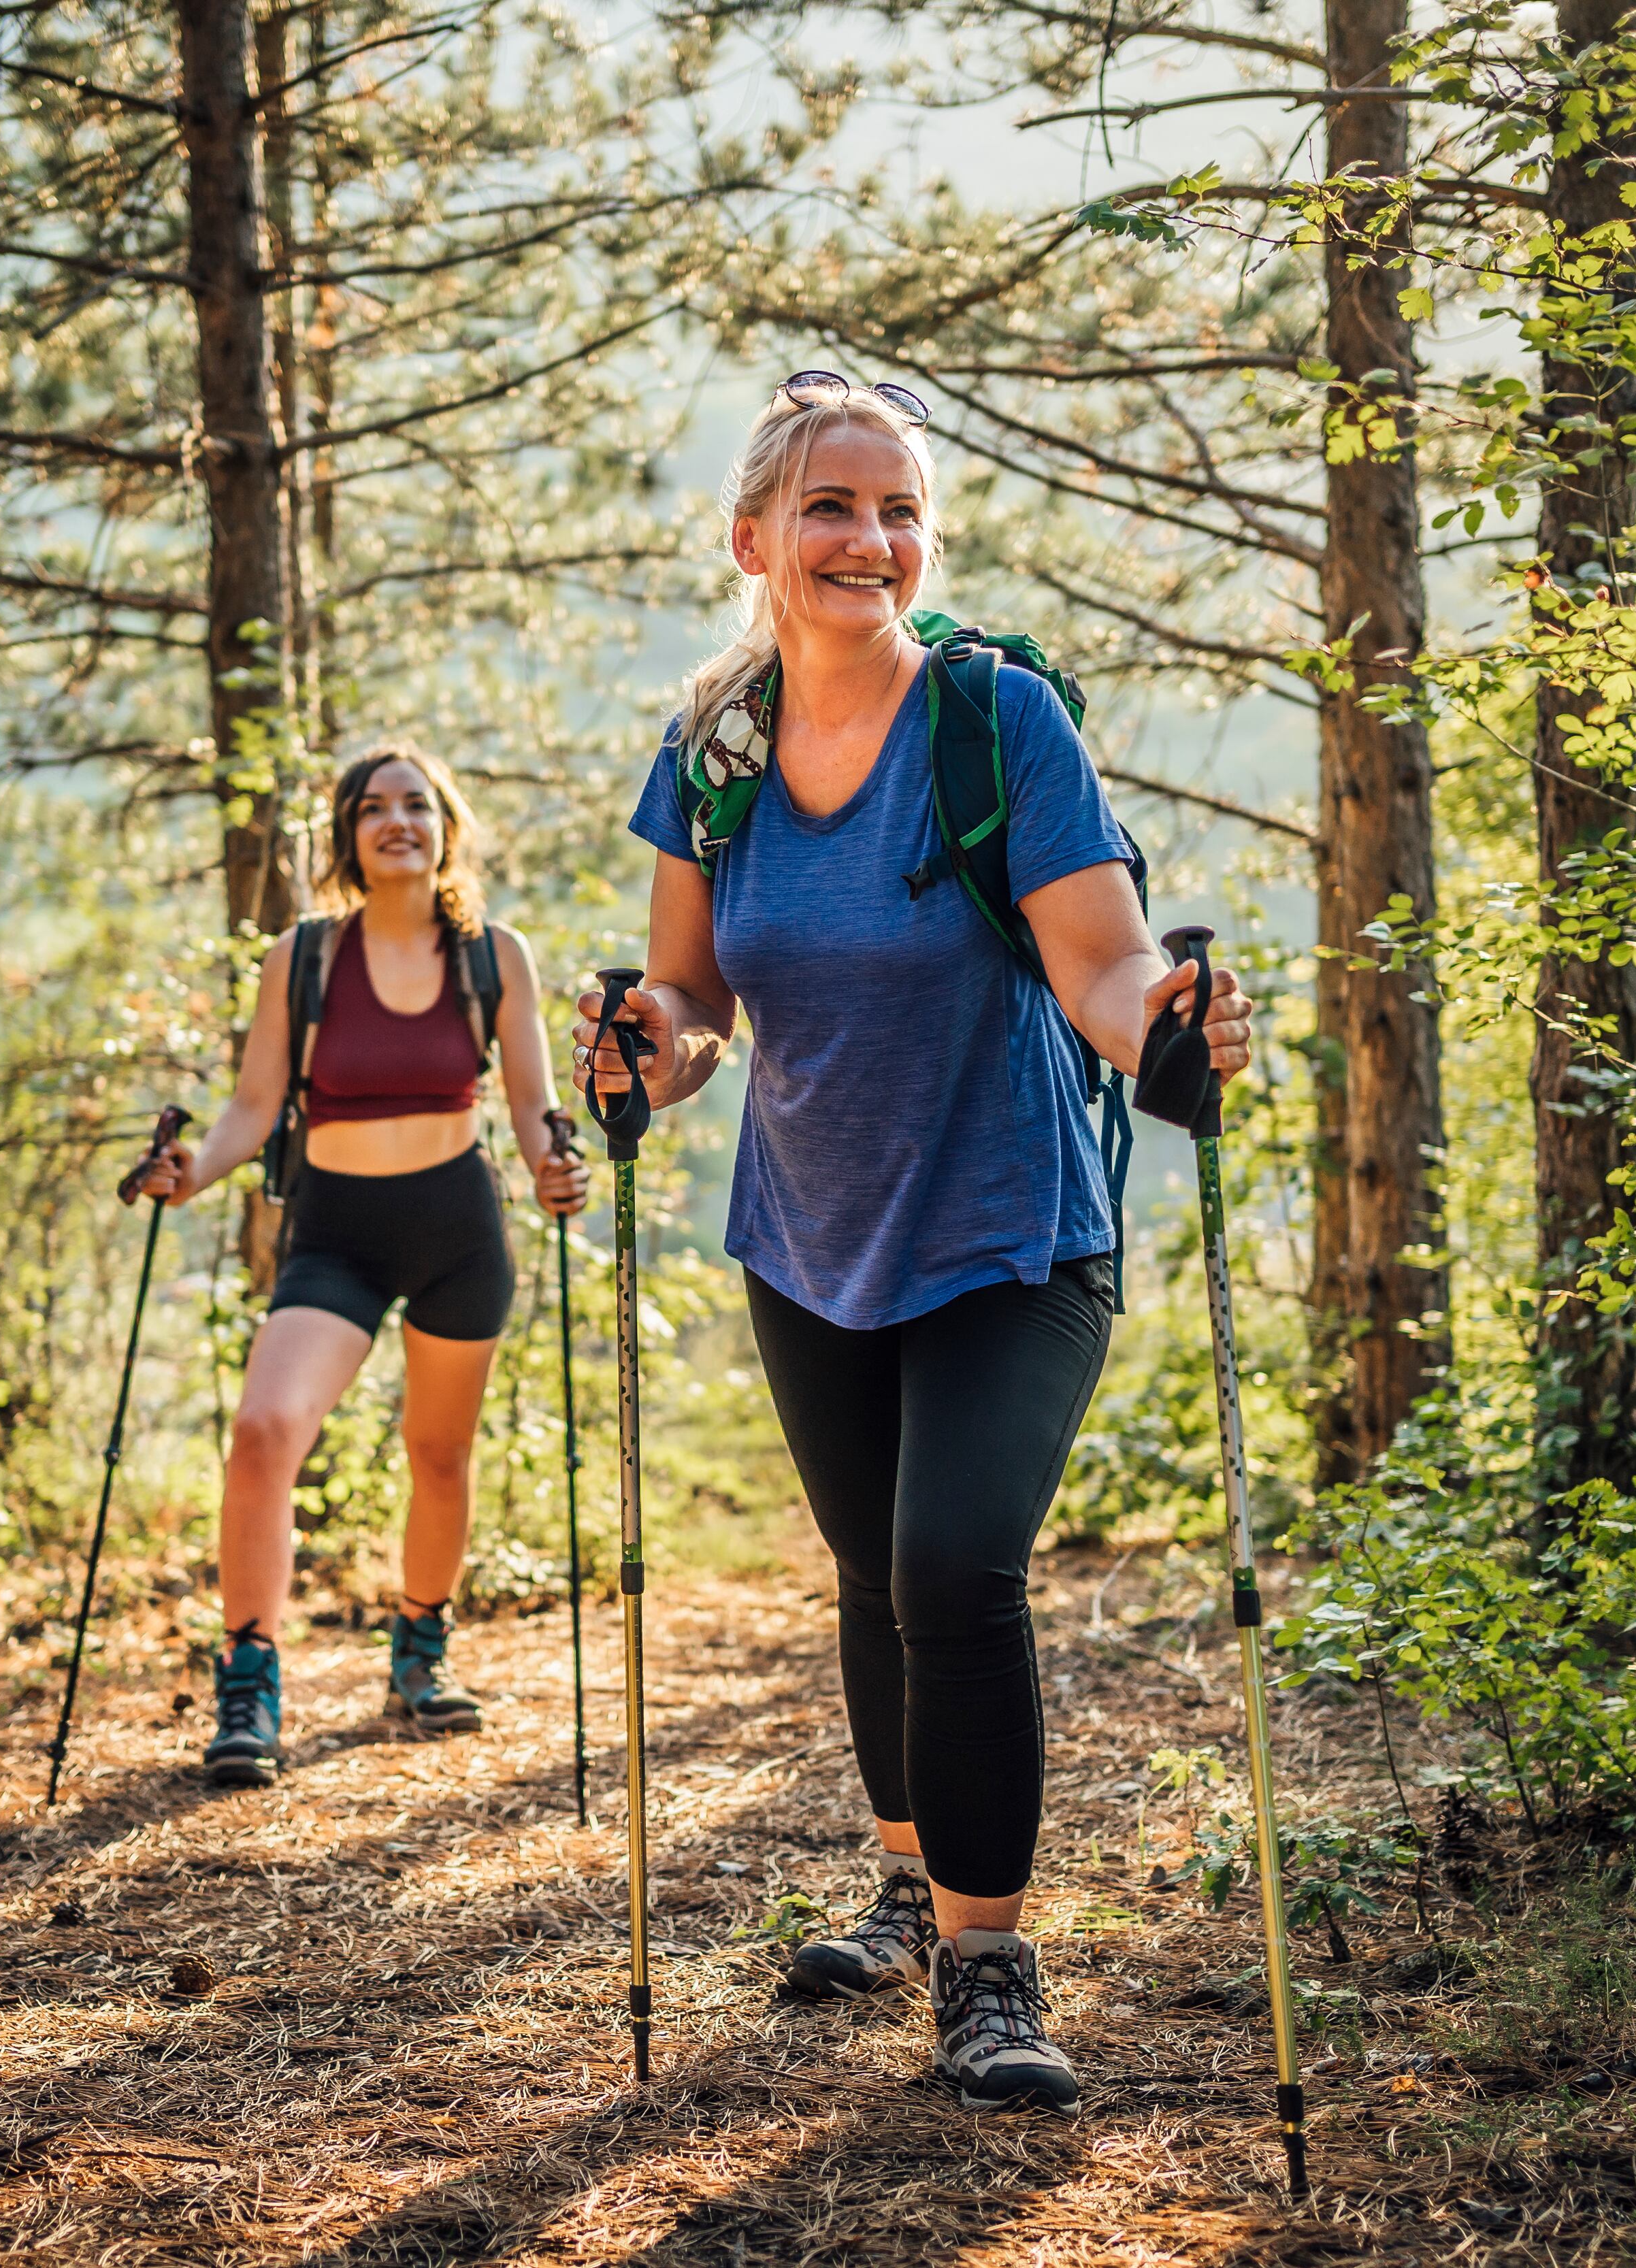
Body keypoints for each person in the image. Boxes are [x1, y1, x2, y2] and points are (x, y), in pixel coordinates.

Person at [578, 373, 1254, 2114]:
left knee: (954, 1564)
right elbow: (697, 988)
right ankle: (905, 1875)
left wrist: (1162, 1033)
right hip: (808, 1230)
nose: (868, 539)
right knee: (874, 1574)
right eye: (828, 507)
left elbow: (1099, 963)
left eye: (896, 509)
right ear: (753, 538)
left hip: (1011, 1226)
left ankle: (988, 1961)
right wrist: (653, 1040)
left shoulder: (996, 720)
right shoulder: (712, 749)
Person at [130, 744, 589, 1786]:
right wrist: (188, 1171)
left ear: (445, 827)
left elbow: (527, 1105)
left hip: (456, 1228)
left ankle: (421, 1656)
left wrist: (556, 1170)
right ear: (348, 837)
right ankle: (248, 1681)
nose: (398, 822)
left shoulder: (492, 955)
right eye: (373, 808)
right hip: (335, 1228)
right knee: (264, 1430)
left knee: (437, 1453)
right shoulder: (301, 956)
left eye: (416, 805)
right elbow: (254, 1105)